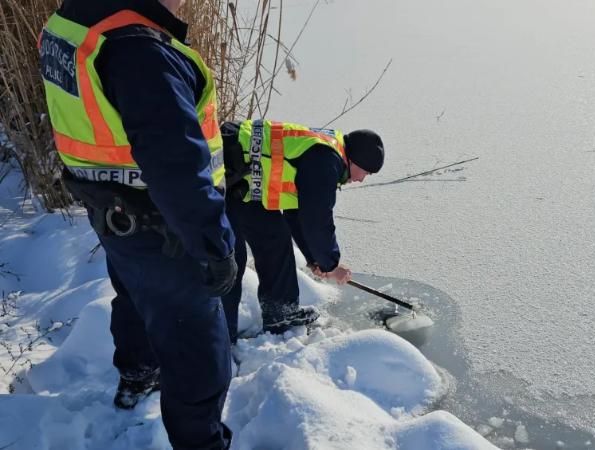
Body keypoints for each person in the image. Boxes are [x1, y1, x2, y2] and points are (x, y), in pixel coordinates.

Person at [39, 0, 236, 448]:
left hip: (113, 211)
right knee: (199, 355)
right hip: (164, 225)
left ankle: (138, 375)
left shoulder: (76, 19)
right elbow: (176, 167)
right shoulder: (140, 49)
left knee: (133, 293)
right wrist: (214, 244)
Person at [220, 120, 384, 342]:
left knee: (275, 237)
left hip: (244, 185)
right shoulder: (326, 162)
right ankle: (219, 339)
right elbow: (316, 221)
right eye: (364, 172)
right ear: (353, 159)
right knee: (230, 261)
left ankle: (281, 314)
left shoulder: (327, 151)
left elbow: (297, 213)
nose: (360, 179)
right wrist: (330, 265)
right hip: (223, 173)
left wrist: (314, 259)